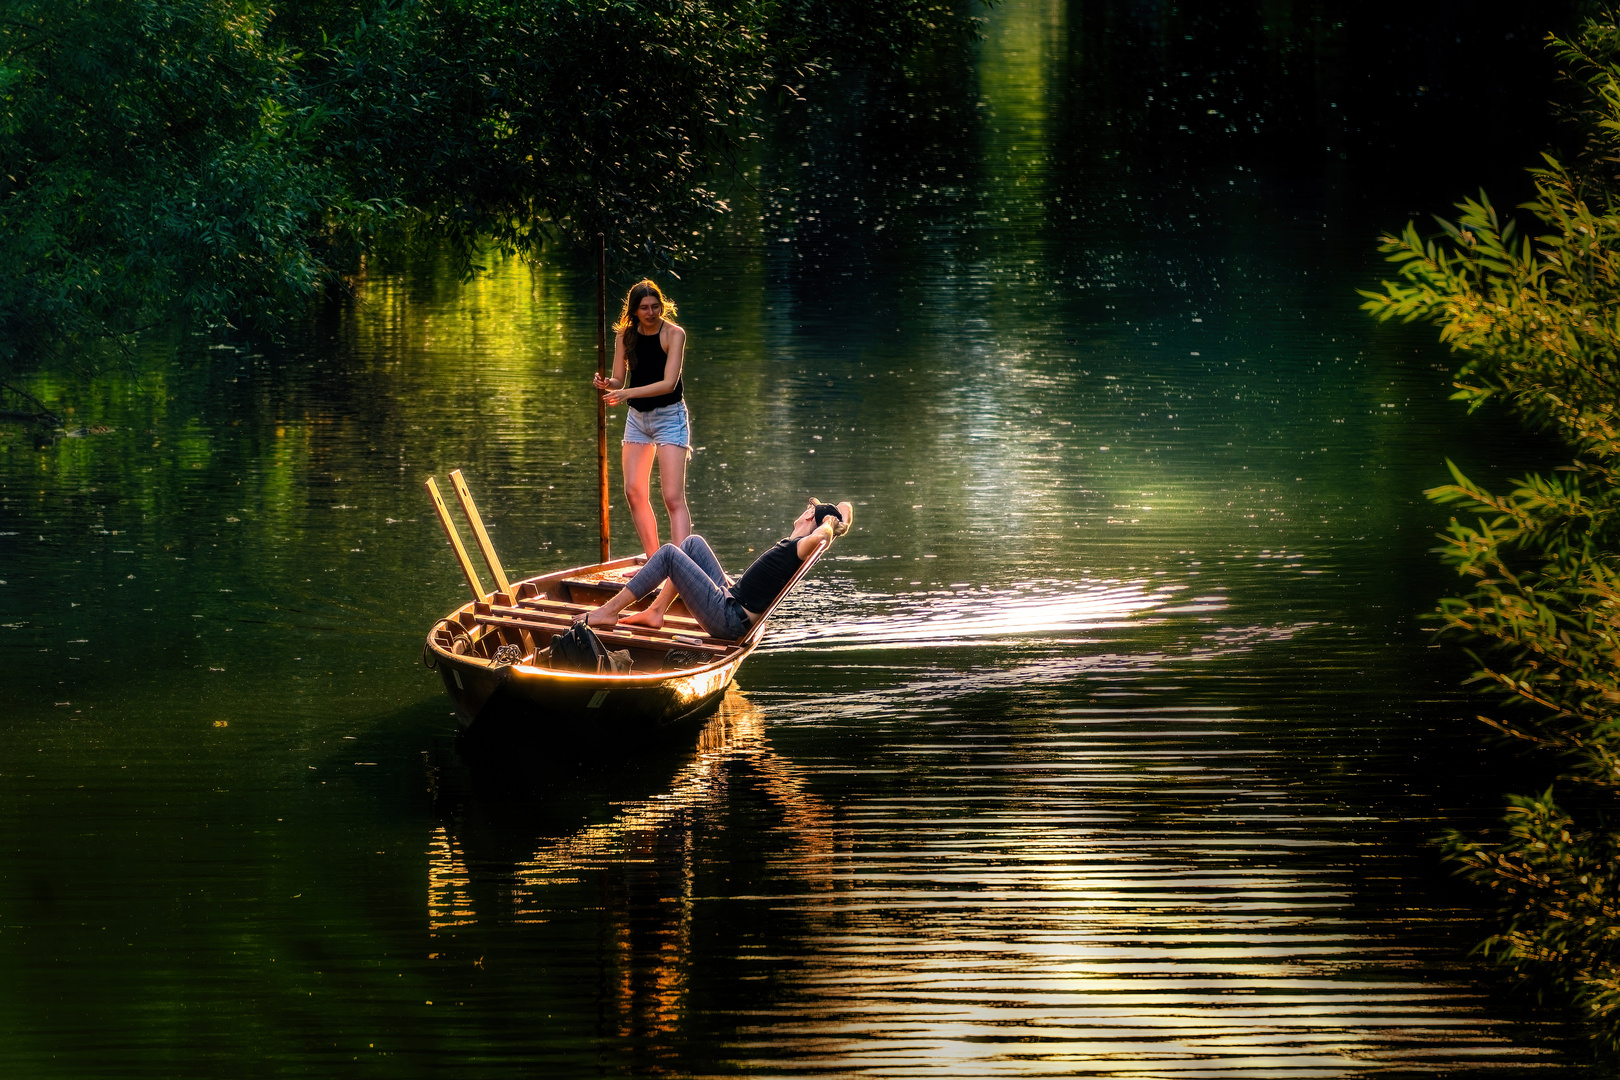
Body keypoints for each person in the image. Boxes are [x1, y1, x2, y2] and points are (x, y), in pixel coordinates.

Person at [582, 499, 854, 640]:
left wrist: (828, 524)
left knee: (668, 554)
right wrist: (836, 519)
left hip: (727, 619)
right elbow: (846, 509)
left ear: (809, 515)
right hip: (731, 600)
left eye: (809, 507)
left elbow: (822, 537)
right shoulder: (797, 545)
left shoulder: (802, 546)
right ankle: (656, 612)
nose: (806, 509)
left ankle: (609, 611)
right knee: (691, 543)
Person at [593, 279, 690, 558]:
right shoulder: (626, 335)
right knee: (634, 492)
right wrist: (606, 383)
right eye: (644, 308)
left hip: (670, 417)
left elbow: (669, 383)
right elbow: (619, 379)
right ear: (634, 310)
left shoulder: (674, 334)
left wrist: (626, 393)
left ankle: (682, 566)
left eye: (655, 306)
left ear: (662, 306)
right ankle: (655, 560)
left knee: (672, 498)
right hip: (637, 418)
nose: (650, 313)